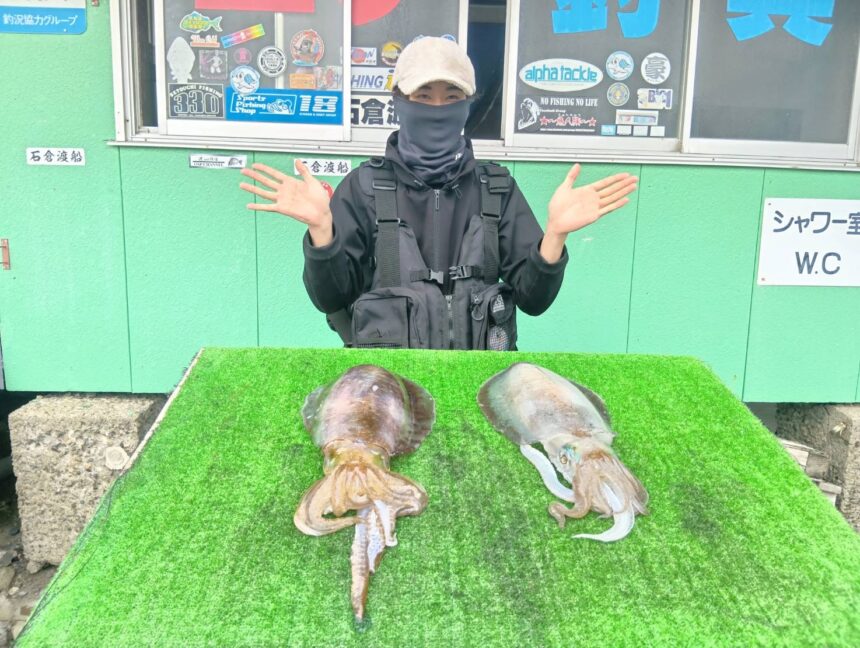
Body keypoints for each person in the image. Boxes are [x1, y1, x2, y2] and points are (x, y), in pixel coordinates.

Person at [239, 37, 637, 350]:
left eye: (451, 97)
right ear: (400, 102)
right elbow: (330, 298)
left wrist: (555, 236)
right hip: (388, 383)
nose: (437, 107)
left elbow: (534, 301)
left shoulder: (497, 187)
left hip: (478, 381)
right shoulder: (363, 186)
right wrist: (321, 233)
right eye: (424, 96)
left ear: (467, 105)